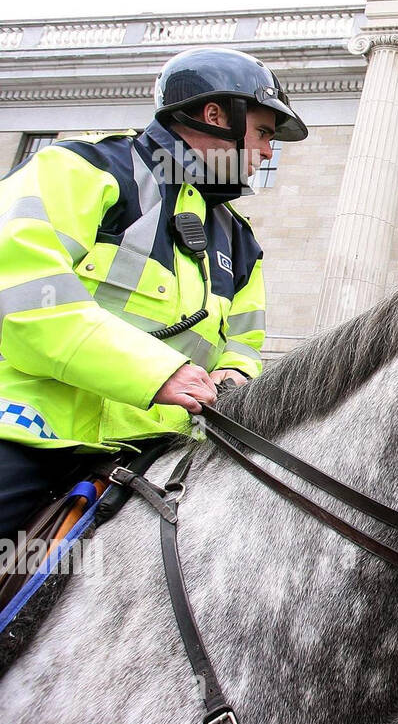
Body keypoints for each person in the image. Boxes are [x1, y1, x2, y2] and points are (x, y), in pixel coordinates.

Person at [0, 47, 303, 541]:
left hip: (160, 455)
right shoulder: (78, 170)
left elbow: (244, 345)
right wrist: (156, 372)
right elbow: (21, 298)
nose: (268, 152)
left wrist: (233, 375)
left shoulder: (241, 242)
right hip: (29, 434)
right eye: (264, 133)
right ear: (216, 116)